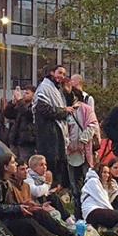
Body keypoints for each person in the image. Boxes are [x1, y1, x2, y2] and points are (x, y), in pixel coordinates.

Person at [0, 153, 73, 236]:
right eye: (13, 163)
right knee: (28, 222)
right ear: (5, 167)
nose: (16, 165)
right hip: (3, 223)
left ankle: (68, 234)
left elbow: (9, 204)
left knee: (39, 212)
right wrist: (19, 208)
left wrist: (25, 205)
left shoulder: (5, 181)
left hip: (10, 216)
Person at [34, 64, 76, 202]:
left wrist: (69, 94)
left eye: (64, 74)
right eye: (59, 73)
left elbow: (65, 106)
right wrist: (64, 111)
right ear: (52, 72)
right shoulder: (45, 88)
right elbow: (45, 110)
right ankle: (48, 195)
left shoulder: (57, 89)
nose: (62, 76)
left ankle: (57, 193)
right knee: (50, 162)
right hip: (48, 133)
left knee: (60, 163)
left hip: (57, 131)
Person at [80, 167, 118, 233]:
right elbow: (102, 199)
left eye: (108, 173)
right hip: (93, 212)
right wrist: (113, 211)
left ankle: (107, 230)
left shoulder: (102, 184)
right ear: (99, 173)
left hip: (94, 213)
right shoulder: (93, 181)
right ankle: (113, 231)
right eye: (104, 172)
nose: (107, 175)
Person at [4, 86, 38, 160]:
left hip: (27, 142)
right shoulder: (20, 105)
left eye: (27, 93)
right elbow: (8, 114)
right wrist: (12, 103)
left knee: (24, 163)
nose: (24, 95)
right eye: (24, 93)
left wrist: (19, 100)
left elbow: (27, 113)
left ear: (34, 95)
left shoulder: (35, 106)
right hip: (15, 140)